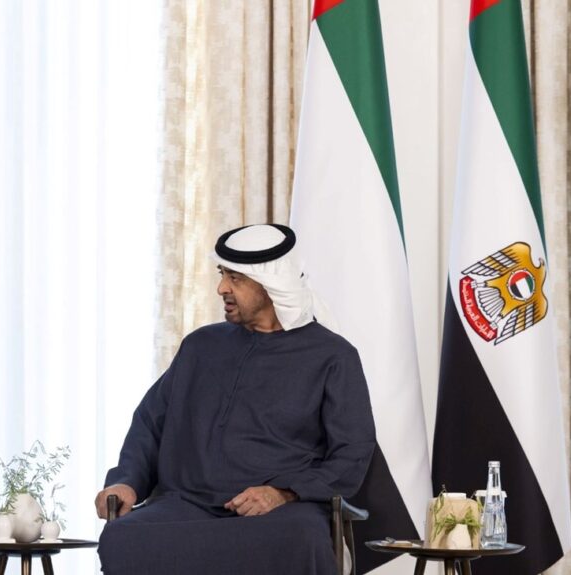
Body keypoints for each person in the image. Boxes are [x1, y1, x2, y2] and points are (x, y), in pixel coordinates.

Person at [95, 223, 375, 575]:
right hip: (187, 505)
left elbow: (353, 452)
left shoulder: (332, 356)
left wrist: (284, 492)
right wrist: (126, 480)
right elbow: (150, 423)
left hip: (280, 511)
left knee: (301, 537)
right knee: (124, 537)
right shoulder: (200, 347)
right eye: (222, 274)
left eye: (235, 278)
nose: (222, 288)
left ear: (271, 285)